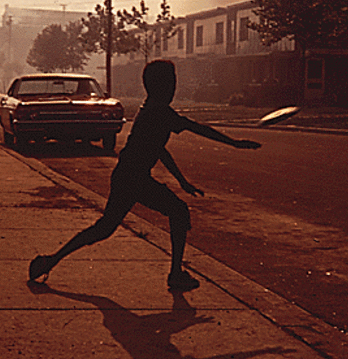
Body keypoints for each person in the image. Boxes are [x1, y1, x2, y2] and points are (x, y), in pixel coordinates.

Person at [28, 59, 262, 291]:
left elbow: (159, 149)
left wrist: (182, 181)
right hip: (134, 178)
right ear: (162, 86)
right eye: (171, 82)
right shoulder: (160, 112)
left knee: (104, 228)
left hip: (127, 176)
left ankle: (52, 260)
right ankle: (175, 274)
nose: (174, 87)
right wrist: (234, 143)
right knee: (177, 212)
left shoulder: (149, 109)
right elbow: (195, 127)